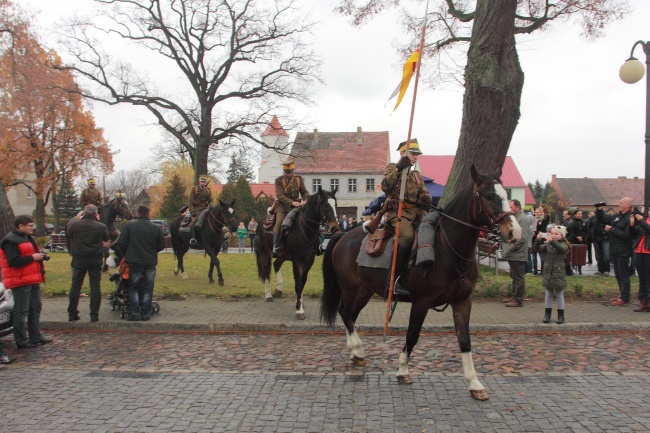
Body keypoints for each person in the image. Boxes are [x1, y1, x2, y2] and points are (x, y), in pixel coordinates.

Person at [381, 138, 432, 292]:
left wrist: (426, 197)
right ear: (403, 153)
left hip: (419, 212)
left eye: (417, 154)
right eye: (413, 153)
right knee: (407, 236)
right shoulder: (392, 167)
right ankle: (396, 277)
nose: (416, 157)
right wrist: (398, 169)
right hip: (399, 212)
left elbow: (424, 191)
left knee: (435, 230)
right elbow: (385, 186)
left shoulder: (416, 174)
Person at [0, 215, 52, 349]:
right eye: (29, 225)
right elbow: (13, 262)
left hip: (32, 278)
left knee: (35, 308)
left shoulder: (27, 237)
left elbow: (31, 253)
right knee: (21, 311)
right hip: (20, 280)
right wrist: (33, 257)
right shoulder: (10, 240)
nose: (32, 227)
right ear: (20, 226)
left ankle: (36, 337)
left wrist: (41, 256)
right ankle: (21, 340)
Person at [114, 206, 166, 321]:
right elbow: (162, 244)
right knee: (148, 288)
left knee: (133, 287)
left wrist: (128, 254)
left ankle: (135, 313)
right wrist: (152, 251)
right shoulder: (155, 228)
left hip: (134, 261)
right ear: (148, 214)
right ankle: (146, 313)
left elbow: (121, 243)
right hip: (150, 261)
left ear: (137, 214)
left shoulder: (129, 226)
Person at [66, 205, 111, 322]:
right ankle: (94, 315)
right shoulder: (100, 226)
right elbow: (106, 240)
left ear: (84, 213)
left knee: (75, 286)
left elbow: (69, 235)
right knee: (95, 286)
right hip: (95, 259)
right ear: (96, 214)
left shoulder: (75, 225)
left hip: (79, 258)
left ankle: (72, 313)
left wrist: (77, 219)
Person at [598, 198, 633, 306]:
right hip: (615, 249)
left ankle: (625, 297)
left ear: (628, 205)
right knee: (618, 274)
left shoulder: (629, 218)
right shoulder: (618, 217)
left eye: (621, 203)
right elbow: (604, 219)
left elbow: (628, 235)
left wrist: (611, 229)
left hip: (623, 250)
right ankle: (621, 295)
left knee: (623, 274)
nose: (619, 204)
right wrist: (599, 211)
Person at [533, 225, 570, 324]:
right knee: (548, 294)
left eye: (556, 234)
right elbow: (537, 249)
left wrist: (551, 241)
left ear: (561, 236)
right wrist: (538, 240)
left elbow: (561, 249)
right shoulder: (548, 244)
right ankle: (547, 314)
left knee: (559, 294)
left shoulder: (564, 245)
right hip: (548, 272)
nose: (553, 235)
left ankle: (561, 316)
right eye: (552, 233)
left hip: (558, 273)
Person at [273, 159, 309, 257]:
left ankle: (315, 244)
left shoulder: (298, 179)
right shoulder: (279, 180)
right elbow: (279, 195)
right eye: (287, 172)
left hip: (298, 206)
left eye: (291, 172)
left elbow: (304, 192)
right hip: (283, 207)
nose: (289, 174)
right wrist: (292, 202)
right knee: (279, 221)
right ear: (284, 172)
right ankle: (275, 245)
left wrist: (305, 199)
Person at [502, 199, 532, 307]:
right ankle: (514, 296)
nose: (509, 209)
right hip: (514, 253)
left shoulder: (522, 219)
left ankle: (518, 299)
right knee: (514, 276)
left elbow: (522, 238)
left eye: (511, 207)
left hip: (518, 253)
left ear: (517, 207)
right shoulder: (515, 218)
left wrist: (510, 249)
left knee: (518, 278)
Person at [630, 211, 650, 312]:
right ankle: (643, 301)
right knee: (642, 278)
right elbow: (634, 234)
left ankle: (648, 301)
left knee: (648, 278)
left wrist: (641, 221)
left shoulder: (644, 222)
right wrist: (633, 224)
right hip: (639, 251)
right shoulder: (646, 220)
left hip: (648, 252)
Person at [188, 174, 212, 245]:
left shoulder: (208, 190)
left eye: (204, 182)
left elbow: (210, 200)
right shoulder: (194, 189)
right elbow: (190, 201)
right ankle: (193, 238)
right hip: (196, 209)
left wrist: (211, 205)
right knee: (194, 221)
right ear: (199, 182)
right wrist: (192, 211)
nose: (203, 183)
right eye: (202, 181)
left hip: (205, 209)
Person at [591, 202, 611, 276]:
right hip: (596, 237)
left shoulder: (607, 216)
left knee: (606, 255)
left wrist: (606, 234)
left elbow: (603, 219)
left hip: (605, 237)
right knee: (598, 255)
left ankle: (606, 270)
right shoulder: (593, 217)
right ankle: (600, 270)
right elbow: (590, 226)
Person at [567, 210, 587, 275]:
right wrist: (576, 237)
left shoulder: (583, 222)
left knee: (580, 254)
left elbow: (586, 231)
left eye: (581, 213)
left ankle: (580, 269)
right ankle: (573, 268)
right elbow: (571, 232)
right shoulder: (572, 222)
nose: (580, 215)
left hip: (581, 240)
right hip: (574, 240)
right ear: (575, 214)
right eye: (578, 213)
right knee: (574, 255)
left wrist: (582, 236)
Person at [532, 205, 549, 275]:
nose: (536, 213)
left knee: (542, 256)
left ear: (541, 213)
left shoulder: (543, 220)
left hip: (541, 240)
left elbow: (543, 230)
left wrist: (538, 234)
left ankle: (542, 269)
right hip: (533, 240)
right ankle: (535, 269)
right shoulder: (533, 220)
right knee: (534, 256)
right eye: (535, 212)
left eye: (538, 212)